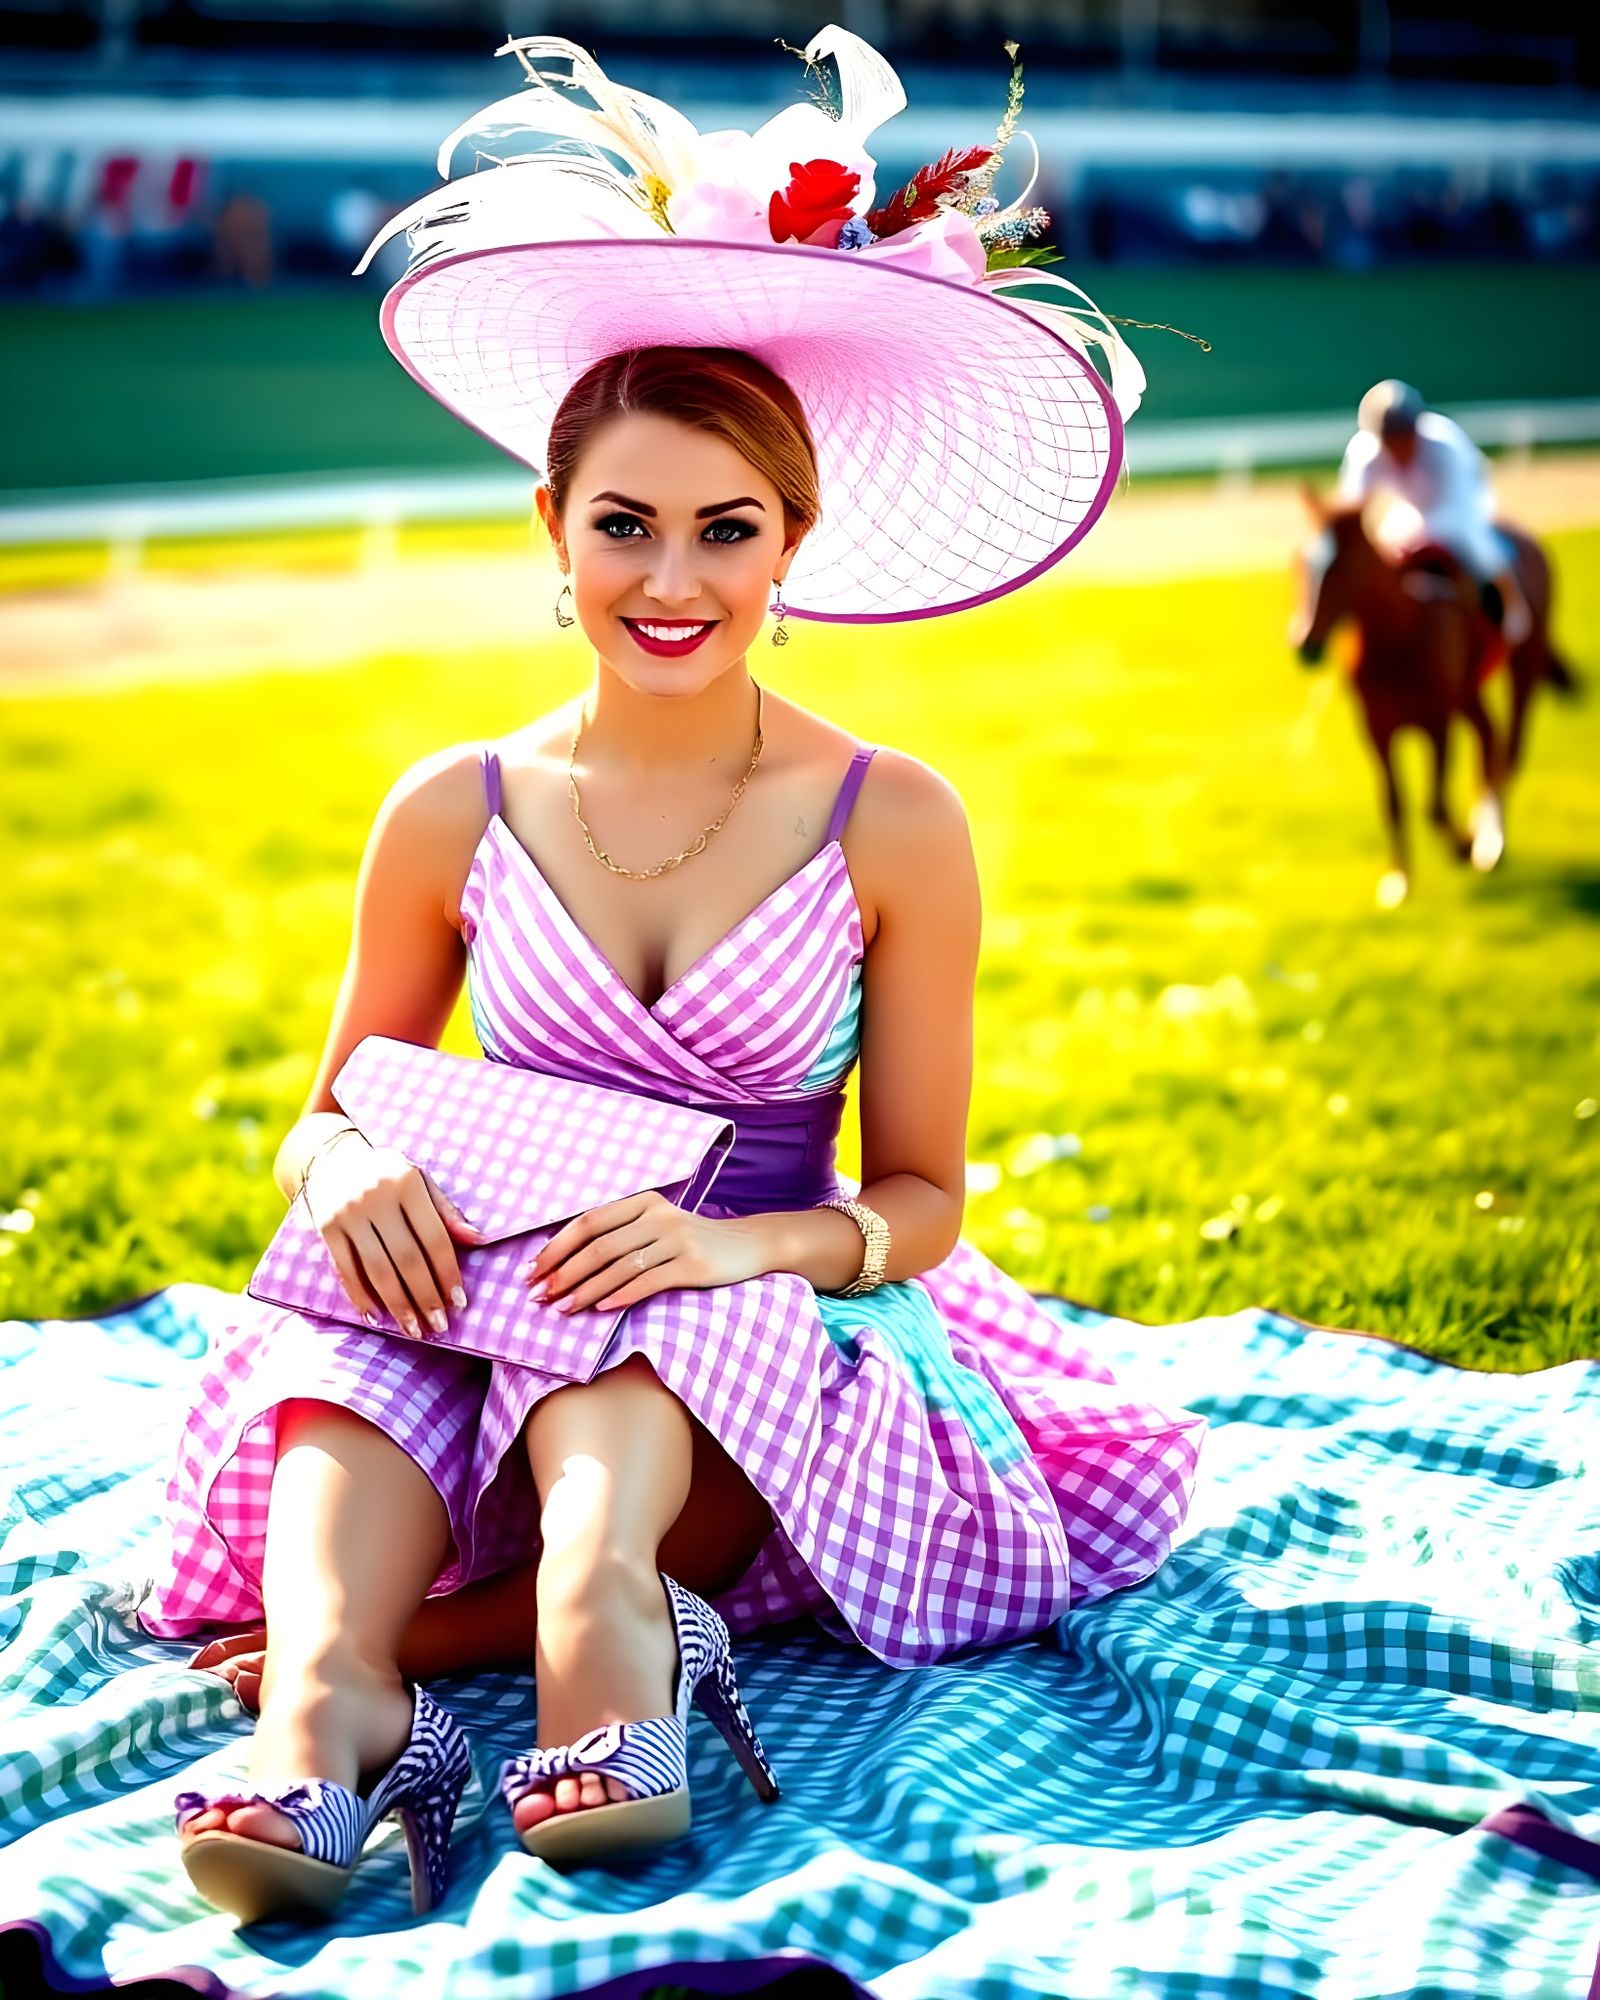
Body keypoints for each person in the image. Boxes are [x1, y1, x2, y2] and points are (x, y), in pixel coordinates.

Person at [146, 23, 1205, 1921]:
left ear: (794, 543)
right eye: (624, 524)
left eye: (728, 530)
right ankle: (333, 1697)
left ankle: (597, 1637)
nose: (672, 578)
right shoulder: (450, 808)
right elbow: (323, 1118)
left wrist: (735, 1246)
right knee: (355, 1331)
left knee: (634, 1337)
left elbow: (924, 1201)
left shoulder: (894, 820)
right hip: (474, 1290)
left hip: (745, 1342)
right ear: (552, 531)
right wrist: (350, 1166)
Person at [1336, 379, 1533, 647]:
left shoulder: (1442, 445)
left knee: (1473, 542)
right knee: (1386, 543)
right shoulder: (1364, 453)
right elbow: (1351, 507)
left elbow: (1454, 506)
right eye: (1390, 439)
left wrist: (1414, 538)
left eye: (1405, 436)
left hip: (1462, 498)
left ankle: (1513, 605)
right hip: (1412, 507)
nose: (1399, 446)